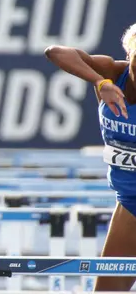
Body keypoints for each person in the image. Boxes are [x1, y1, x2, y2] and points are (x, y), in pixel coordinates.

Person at [45, 24, 135, 291]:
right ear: (129, 56)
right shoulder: (111, 72)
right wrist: (100, 82)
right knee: (106, 292)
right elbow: (55, 52)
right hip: (129, 203)